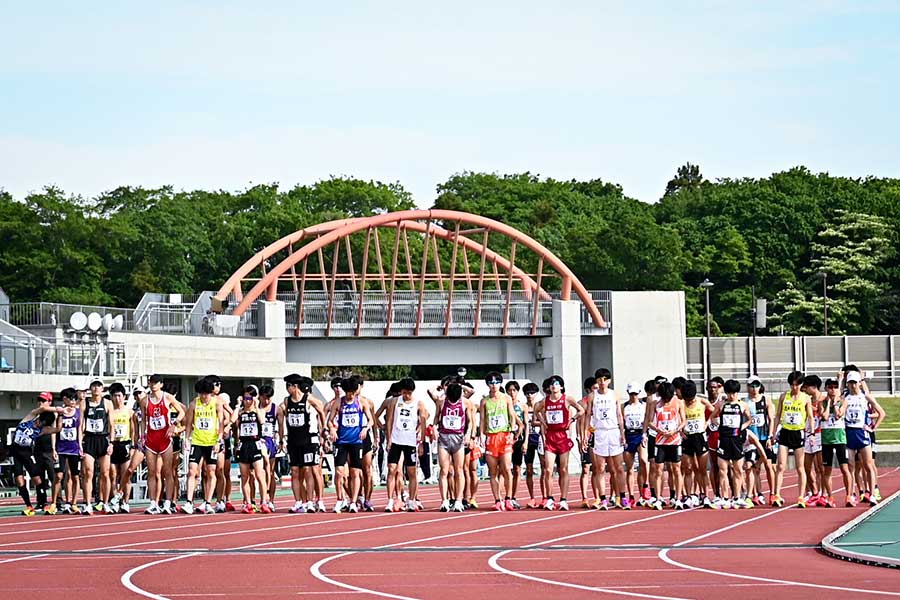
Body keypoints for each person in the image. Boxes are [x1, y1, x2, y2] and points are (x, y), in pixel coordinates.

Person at [534, 375, 584, 511]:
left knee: (563, 469)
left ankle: (563, 499)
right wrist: (543, 422)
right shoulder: (545, 401)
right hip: (550, 437)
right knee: (548, 469)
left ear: (561, 386)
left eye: (556, 384)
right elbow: (535, 409)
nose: (554, 386)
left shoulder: (567, 399)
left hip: (563, 436)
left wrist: (572, 420)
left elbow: (581, 410)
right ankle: (549, 498)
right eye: (551, 384)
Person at [328, 377, 376, 513]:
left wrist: (365, 429)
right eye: (348, 392)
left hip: (356, 441)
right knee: (339, 472)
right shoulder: (339, 402)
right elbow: (329, 420)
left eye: (352, 392)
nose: (350, 395)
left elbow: (371, 420)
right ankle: (339, 500)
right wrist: (332, 429)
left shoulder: (361, 402)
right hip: (341, 441)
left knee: (355, 471)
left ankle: (354, 502)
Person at [584, 368, 629, 510]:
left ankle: (622, 497)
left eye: (605, 379)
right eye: (599, 380)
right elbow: (588, 416)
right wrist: (586, 433)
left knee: (619, 467)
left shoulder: (614, 395)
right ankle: (602, 498)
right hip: (600, 433)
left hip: (614, 432)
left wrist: (622, 434)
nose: (602, 382)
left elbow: (619, 415)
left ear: (609, 380)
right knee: (600, 468)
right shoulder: (592, 396)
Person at [12, 393, 64, 515]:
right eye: (40, 421)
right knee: (20, 480)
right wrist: (58, 409)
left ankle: (44, 503)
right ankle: (29, 506)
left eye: (43, 423)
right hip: (15, 451)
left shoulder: (42, 430)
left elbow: (58, 429)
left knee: (37, 479)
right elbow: (43, 408)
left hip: (27, 453)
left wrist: (60, 415)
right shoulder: (30, 417)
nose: (39, 424)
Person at [280, 374, 325, 513]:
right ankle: (299, 502)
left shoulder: (308, 398)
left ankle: (311, 501)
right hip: (293, 441)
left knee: (307, 470)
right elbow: (285, 414)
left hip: (308, 441)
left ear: (295, 386)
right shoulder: (287, 401)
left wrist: (323, 429)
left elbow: (321, 408)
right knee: (294, 471)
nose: (287, 389)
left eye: (289, 386)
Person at [142, 375, 184, 515]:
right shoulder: (145, 401)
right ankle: (153, 502)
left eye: (155, 383)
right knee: (152, 472)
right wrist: (142, 436)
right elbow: (143, 420)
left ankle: (168, 502)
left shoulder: (167, 398)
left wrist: (173, 425)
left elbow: (182, 412)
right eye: (151, 383)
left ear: (161, 384)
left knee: (168, 472)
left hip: (165, 439)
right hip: (151, 440)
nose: (153, 385)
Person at [182, 377, 225, 514]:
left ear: (211, 393)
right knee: (192, 471)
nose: (203, 397)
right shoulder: (194, 403)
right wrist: (187, 439)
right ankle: (189, 502)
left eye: (206, 394)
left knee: (211, 472)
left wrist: (219, 441)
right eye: (201, 394)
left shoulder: (217, 403)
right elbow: (188, 423)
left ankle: (207, 502)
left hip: (211, 443)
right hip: (197, 442)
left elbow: (221, 423)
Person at [842, 370, 885, 506]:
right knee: (851, 466)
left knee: (868, 464)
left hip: (862, 433)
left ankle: (872, 494)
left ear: (860, 383)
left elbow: (881, 413)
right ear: (847, 384)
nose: (853, 385)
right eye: (850, 383)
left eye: (855, 382)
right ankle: (852, 494)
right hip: (849, 433)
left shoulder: (866, 397)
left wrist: (873, 428)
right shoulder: (845, 398)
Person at [385, 378, 427, 512]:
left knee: (411, 472)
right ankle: (391, 500)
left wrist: (421, 443)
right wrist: (389, 438)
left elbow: (424, 422)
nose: (406, 395)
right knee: (392, 469)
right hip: (396, 440)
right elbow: (390, 419)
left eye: (408, 393)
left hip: (410, 442)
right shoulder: (395, 402)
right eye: (404, 392)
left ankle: (411, 500)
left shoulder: (418, 404)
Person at [772, 371, 813, 508]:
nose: (794, 387)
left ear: (801, 385)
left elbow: (810, 417)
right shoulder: (784, 396)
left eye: (797, 385)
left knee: (800, 467)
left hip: (798, 433)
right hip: (785, 432)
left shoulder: (806, 398)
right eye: (792, 384)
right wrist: (773, 432)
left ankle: (801, 497)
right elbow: (778, 415)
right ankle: (776, 494)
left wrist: (811, 433)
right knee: (781, 465)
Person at [479, 372, 518, 511]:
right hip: (491, 437)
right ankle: (497, 499)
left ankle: (508, 498)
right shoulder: (484, 401)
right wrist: (481, 436)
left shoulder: (506, 398)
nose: (494, 385)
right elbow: (482, 420)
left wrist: (512, 432)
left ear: (500, 383)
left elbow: (512, 416)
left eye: (496, 382)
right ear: (488, 384)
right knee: (493, 471)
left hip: (504, 436)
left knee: (507, 468)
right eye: (491, 382)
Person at [711, 379, 753, 509]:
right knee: (723, 470)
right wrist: (718, 425)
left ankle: (737, 498)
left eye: (734, 393)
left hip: (736, 440)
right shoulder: (722, 404)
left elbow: (750, 419)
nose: (732, 396)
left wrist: (743, 427)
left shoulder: (743, 405)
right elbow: (712, 417)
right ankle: (724, 498)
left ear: (737, 393)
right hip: (724, 440)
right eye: (729, 393)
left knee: (738, 470)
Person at [435, 382, 475, 512]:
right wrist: (434, 428)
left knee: (459, 470)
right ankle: (444, 501)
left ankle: (458, 501)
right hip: (444, 439)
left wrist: (469, 435)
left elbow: (470, 422)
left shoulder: (465, 402)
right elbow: (436, 418)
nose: (453, 401)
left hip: (458, 439)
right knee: (444, 471)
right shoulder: (441, 401)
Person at [232, 386, 272, 513]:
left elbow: (262, 420)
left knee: (260, 475)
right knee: (244, 477)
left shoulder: (258, 411)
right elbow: (233, 420)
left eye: (249, 398)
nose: (247, 401)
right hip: (244, 445)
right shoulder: (240, 412)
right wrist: (238, 405)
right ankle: (248, 503)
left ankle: (264, 501)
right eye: (245, 398)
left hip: (255, 444)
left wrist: (255, 405)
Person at [647, 382, 685, 509]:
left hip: (675, 440)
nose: (666, 400)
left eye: (668, 398)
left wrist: (675, 431)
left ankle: (678, 498)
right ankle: (658, 498)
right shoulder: (655, 404)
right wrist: (658, 430)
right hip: (660, 441)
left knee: (676, 469)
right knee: (658, 470)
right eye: (664, 398)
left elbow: (684, 421)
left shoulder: (678, 403)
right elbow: (649, 422)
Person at [80, 380, 114, 515]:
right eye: (94, 386)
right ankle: (88, 503)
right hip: (89, 439)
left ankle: (105, 503)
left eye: (98, 386)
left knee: (105, 474)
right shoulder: (84, 403)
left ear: (102, 389)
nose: (96, 388)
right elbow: (80, 425)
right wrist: (79, 443)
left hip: (103, 439)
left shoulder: (107, 403)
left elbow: (112, 424)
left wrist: (111, 443)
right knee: (88, 473)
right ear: (90, 389)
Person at [680, 380, 713, 508]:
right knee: (688, 469)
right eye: (687, 400)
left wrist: (707, 423)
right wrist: (679, 431)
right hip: (687, 438)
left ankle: (704, 495)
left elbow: (715, 412)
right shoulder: (681, 404)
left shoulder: (702, 401)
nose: (689, 402)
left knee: (702, 469)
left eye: (691, 400)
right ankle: (689, 496)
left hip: (700, 437)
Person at [820, 377, 852, 507]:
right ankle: (830, 496)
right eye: (830, 387)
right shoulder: (822, 402)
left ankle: (849, 495)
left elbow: (839, 415)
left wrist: (835, 404)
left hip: (840, 438)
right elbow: (825, 416)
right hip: (827, 439)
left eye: (835, 387)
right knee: (827, 470)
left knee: (845, 468)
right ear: (826, 388)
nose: (833, 390)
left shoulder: (843, 401)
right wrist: (828, 404)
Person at [744, 377, 776, 506]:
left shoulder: (766, 400)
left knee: (768, 466)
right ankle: (758, 494)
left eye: (756, 385)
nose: (754, 388)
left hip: (764, 438)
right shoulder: (745, 402)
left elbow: (771, 419)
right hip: (752, 439)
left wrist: (770, 436)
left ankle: (773, 493)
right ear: (748, 387)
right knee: (754, 467)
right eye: (752, 385)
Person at [107, 383, 134, 513]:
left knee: (126, 475)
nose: (117, 399)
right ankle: (115, 501)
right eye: (114, 396)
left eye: (119, 396)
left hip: (125, 444)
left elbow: (134, 431)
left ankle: (125, 502)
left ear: (124, 396)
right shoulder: (110, 412)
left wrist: (133, 446)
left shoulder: (129, 412)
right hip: (113, 444)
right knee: (113, 475)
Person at [55, 388, 82, 514]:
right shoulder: (59, 412)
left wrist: (80, 446)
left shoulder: (78, 412)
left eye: (74, 398)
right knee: (60, 475)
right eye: (70, 398)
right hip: (61, 448)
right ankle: (54, 503)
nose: (72, 401)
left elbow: (80, 430)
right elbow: (55, 431)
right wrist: (53, 448)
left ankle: (73, 503)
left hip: (74, 448)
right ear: (64, 399)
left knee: (74, 476)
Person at [622, 382, 649, 506]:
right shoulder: (624, 407)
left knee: (644, 460)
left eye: (636, 394)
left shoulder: (644, 406)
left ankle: (645, 485)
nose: (634, 396)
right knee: (630, 468)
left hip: (640, 434)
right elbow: (621, 422)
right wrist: (622, 437)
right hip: (629, 435)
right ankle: (631, 496)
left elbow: (647, 420)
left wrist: (644, 434)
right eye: (631, 394)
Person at [801, 375, 825, 506]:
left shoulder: (824, 399)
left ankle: (822, 493)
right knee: (806, 466)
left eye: (806, 386)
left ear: (814, 387)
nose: (804, 389)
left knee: (820, 467)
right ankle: (814, 492)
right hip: (808, 434)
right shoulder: (806, 400)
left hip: (820, 434)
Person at [507, 380, 529, 509]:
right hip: (506, 440)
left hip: (519, 440)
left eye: (514, 390)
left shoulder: (522, 406)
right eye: (509, 390)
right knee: (503, 469)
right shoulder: (503, 404)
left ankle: (514, 497)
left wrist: (525, 441)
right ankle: (504, 497)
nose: (512, 393)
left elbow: (526, 425)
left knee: (517, 468)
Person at [521, 382, 544, 508]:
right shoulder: (523, 407)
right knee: (529, 470)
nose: (530, 395)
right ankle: (532, 497)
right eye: (527, 393)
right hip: (528, 440)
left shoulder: (540, 406)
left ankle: (545, 496)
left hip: (539, 438)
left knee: (544, 468)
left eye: (532, 393)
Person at [257, 384, 278, 512]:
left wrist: (281, 440)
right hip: (258, 441)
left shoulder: (275, 409)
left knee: (270, 471)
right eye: (264, 398)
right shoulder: (255, 407)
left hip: (270, 441)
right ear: (260, 397)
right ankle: (261, 499)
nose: (266, 401)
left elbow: (281, 425)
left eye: (269, 398)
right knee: (259, 473)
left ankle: (271, 499)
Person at [578, 377, 598, 508]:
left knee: (597, 468)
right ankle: (585, 497)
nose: (597, 391)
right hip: (587, 436)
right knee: (586, 469)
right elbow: (579, 422)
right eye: (594, 388)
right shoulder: (582, 403)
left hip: (598, 435)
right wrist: (580, 438)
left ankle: (597, 497)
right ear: (588, 390)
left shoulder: (602, 401)